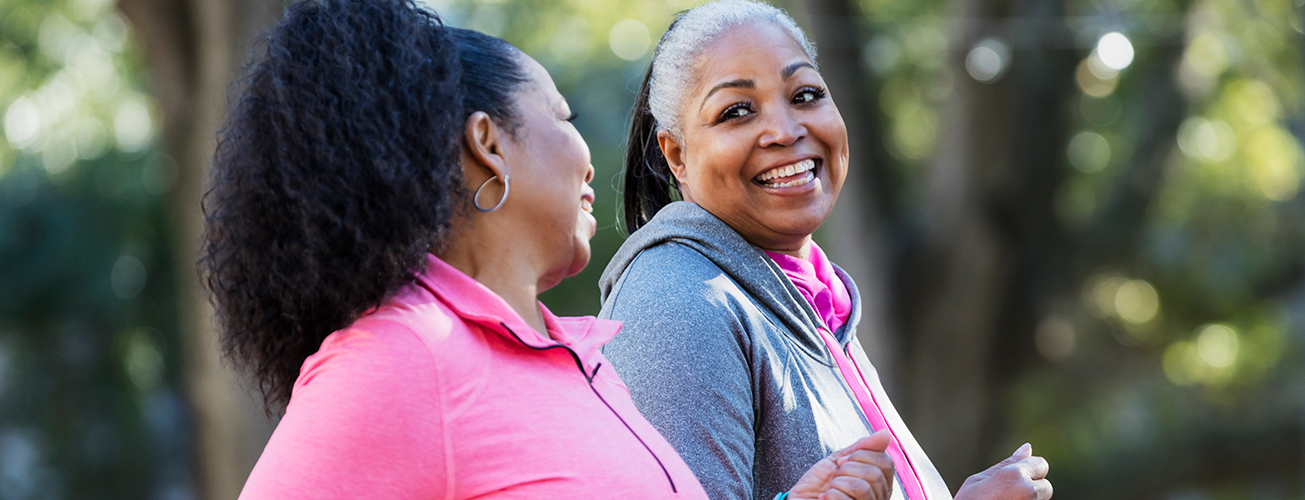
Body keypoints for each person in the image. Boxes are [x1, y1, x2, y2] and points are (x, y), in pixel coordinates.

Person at [200, 0, 896, 497]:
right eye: (561, 117)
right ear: (488, 146)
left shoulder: (575, 362)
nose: (590, 161)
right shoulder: (404, 356)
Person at [599, 2, 1054, 500]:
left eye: (806, 94)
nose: (786, 130)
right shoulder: (679, 303)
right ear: (677, 155)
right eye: (736, 111)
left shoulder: (814, 299)